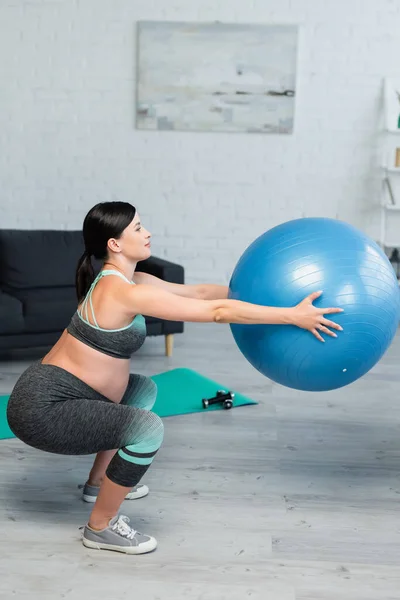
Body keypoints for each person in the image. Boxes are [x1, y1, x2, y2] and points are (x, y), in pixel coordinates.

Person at [6, 201, 343, 555]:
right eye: (137, 228)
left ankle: (98, 483)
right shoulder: (119, 290)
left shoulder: (133, 279)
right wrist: (291, 316)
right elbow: (216, 313)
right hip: (42, 408)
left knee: (143, 389)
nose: (147, 232)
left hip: (68, 393)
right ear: (114, 244)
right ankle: (100, 527)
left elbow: (202, 294)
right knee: (147, 429)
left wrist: (269, 294)